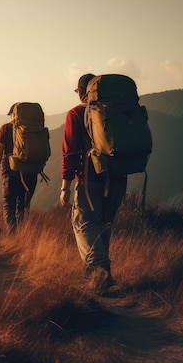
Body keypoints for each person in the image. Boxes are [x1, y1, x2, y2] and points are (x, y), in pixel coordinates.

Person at [60, 73, 128, 295]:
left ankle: (100, 273)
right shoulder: (114, 110)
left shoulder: (76, 113)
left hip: (90, 178)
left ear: (81, 92)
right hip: (118, 176)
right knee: (105, 223)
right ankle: (100, 277)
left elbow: (69, 152)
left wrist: (65, 187)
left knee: (84, 223)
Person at [0, 105, 38, 234]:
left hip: (10, 172)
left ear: (13, 114)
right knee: (22, 206)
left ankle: (12, 236)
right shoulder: (34, 128)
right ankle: (21, 235)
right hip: (30, 172)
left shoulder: (6, 128)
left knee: (9, 206)